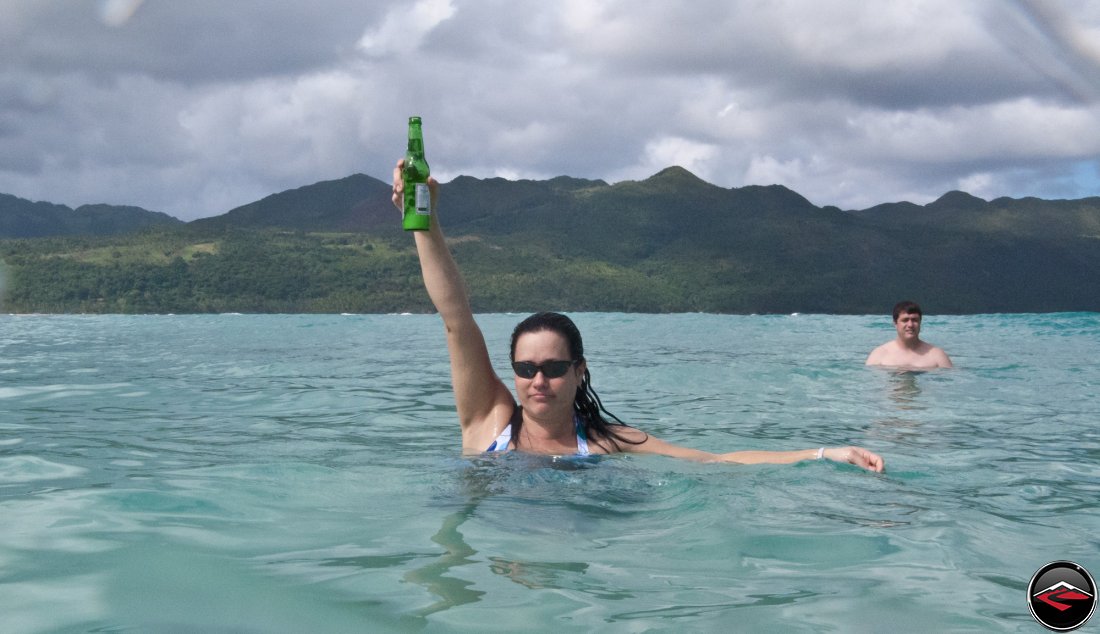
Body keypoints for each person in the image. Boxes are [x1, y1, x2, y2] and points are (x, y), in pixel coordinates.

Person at [392, 159, 884, 472]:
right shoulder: (488, 423)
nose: (538, 380)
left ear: (579, 370)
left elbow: (715, 460)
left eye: (554, 368)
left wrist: (823, 453)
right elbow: (457, 317)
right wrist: (427, 224)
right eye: (525, 368)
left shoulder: (608, 443)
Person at [866, 301, 953, 369]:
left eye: (915, 320)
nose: (910, 325)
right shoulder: (879, 354)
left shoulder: (937, 355)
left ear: (920, 323)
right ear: (895, 323)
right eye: (905, 320)